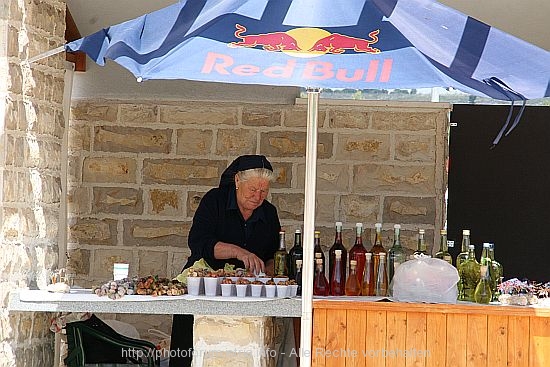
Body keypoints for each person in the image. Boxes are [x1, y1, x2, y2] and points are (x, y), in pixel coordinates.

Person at [169, 154, 281, 367]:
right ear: (238, 181)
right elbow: (199, 243)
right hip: (202, 288)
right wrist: (239, 253)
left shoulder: (269, 213)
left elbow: (274, 256)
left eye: (263, 191)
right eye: (253, 190)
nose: (258, 197)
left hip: (246, 295)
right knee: (188, 352)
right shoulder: (215, 201)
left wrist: (265, 273)